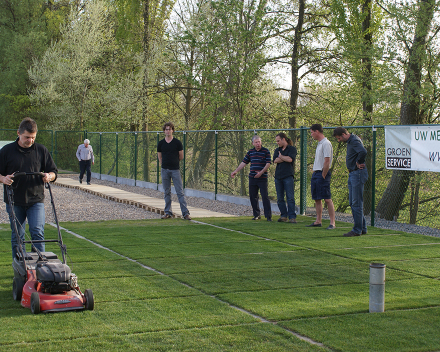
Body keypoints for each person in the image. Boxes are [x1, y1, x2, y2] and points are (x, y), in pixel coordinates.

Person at [0, 117, 58, 259]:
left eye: (33, 137)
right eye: (27, 137)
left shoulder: (41, 150)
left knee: (37, 232)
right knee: (18, 235)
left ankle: (40, 268)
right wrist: (3, 178)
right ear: (18, 133)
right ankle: (20, 269)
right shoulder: (7, 151)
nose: (30, 141)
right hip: (14, 200)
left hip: (36, 199)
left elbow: (54, 172)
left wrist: (49, 177)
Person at [333, 127, 368, 237]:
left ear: (343, 134)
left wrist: (359, 161)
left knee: (356, 203)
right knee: (353, 202)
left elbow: (363, 151)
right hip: (353, 173)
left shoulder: (354, 141)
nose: (339, 140)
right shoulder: (352, 140)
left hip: (357, 173)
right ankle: (362, 228)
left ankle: (357, 229)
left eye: (339, 138)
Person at [231, 135, 272, 221]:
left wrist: (261, 173)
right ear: (253, 143)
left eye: (259, 142)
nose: (258, 144)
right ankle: (256, 214)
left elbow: (268, 164)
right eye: (256, 142)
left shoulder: (266, 151)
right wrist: (236, 171)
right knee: (253, 196)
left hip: (262, 178)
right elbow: (244, 162)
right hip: (252, 178)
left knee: (265, 196)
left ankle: (268, 216)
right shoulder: (250, 152)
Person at [157, 122, 191, 220]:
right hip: (164, 170)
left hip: (175, 170)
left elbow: (181, 156)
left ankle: (185, 213)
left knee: (179, 192)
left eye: (170, 129)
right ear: (164, 131)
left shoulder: (177, 143)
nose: (168, 131)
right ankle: (168, 212)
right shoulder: (161, 143)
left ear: (172, 130)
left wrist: (174, 162)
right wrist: (164, 165)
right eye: (166, 129)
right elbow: (160, 157)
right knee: (167, 192)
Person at [307, 124, 336, 230]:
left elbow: (327, 160)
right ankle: (318, 221)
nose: (311, 135)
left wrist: (323, 174)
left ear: (317, 131)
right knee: (317, 198)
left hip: (322, 173)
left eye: (311, 132)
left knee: (327, 198)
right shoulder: (319, 144)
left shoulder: (326, 143)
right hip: (316, 173)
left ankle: (332, 223)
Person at [273, 133, 297, 223]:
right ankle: (283, 215)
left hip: (288, 176)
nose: (277, 143)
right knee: (280, 198)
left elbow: (290, 159)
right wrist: (284, 158)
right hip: (278, 176)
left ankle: (292, 216)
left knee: (290, 197)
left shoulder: (292, 149)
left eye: (278, 141)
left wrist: (281, 157)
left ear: (284, 139)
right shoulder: (277, 150)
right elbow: (275, 160)